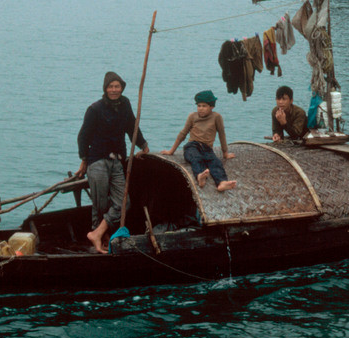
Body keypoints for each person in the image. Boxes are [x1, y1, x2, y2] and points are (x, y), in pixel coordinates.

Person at [76, 71, 147, 253]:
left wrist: (143, 144)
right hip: (97, 160)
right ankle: (99, 238)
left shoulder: (125, 104)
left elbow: (132, 126)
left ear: (122, 88)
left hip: (117, 161)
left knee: (124, 203)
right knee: (99, 204)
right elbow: (83, 137)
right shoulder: (95, 109)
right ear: (105, 88)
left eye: (117, 87)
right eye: (111, 87)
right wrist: (84, 160)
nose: (114, 90)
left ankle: (97, 233)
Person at [162, 90, 237, 191]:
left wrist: (225, 153)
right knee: (196, 158)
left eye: (204, 106)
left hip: (207, 148)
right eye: (199, 106)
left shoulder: (216, 117)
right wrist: (171, 151)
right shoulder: (192, 116)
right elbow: (182, 134)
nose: (201, 109)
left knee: (215, 162)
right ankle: (200, 176)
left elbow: (222, 134)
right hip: (192, 146)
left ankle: (221, 182)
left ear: (211, 107)